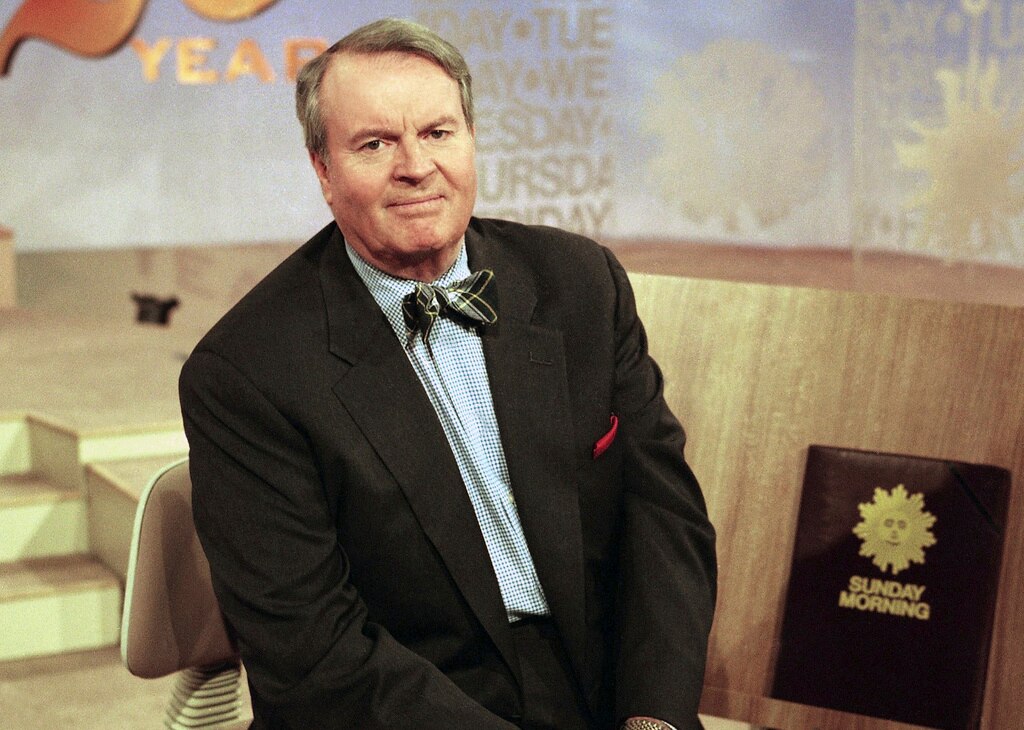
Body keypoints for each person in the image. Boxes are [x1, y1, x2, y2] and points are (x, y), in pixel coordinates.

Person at [179, 17, 716, 730]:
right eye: (375, 144)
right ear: (323, 170)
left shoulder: (580, 282)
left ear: (471, 141)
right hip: (411, 700)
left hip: (603, 690)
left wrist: (654, 718)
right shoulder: (246, 372)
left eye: (438, 133)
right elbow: (313, 656)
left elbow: (665, 521)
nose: (416, 166)